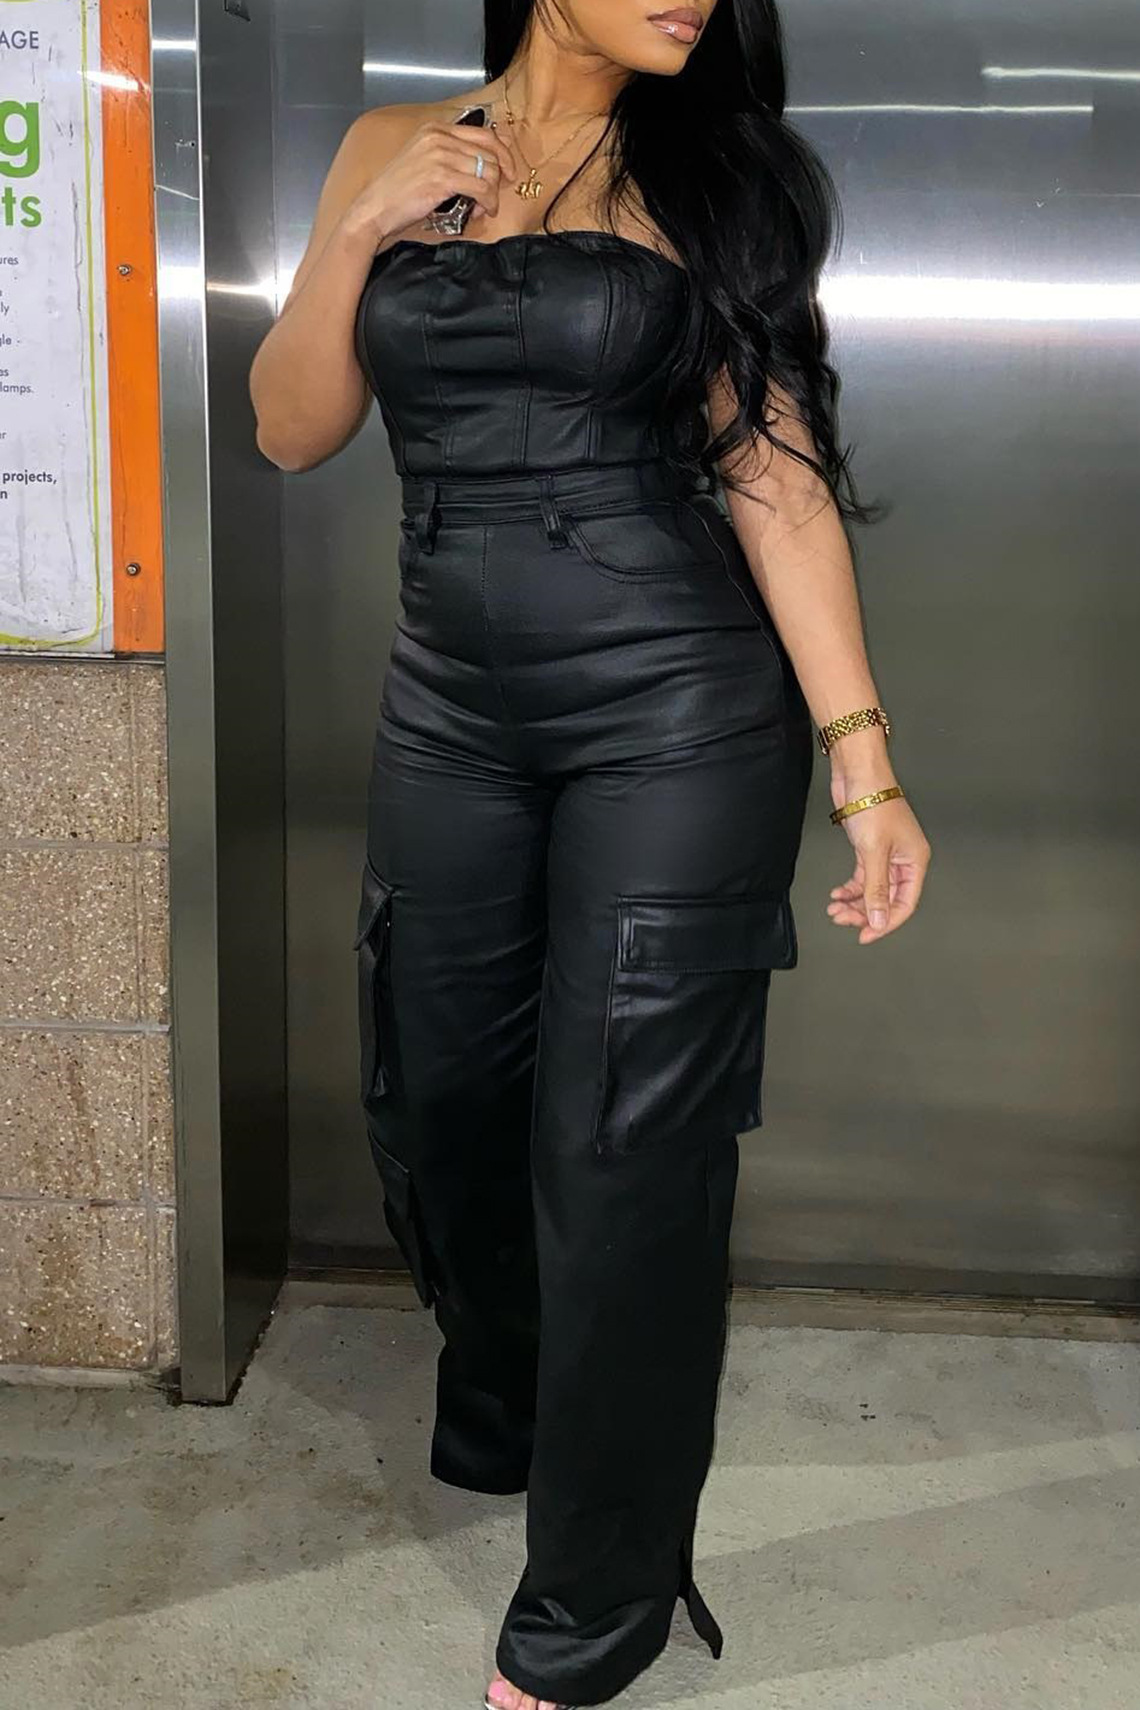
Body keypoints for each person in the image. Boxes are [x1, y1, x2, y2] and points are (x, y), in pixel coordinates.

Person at [250, 1, 932, 1704]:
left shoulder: (714, 173)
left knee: (627, 1144)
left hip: (676, 709)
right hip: (449, 706)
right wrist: (359, 230)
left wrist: (863, 760)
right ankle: (523, 1397)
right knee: (439, 1099)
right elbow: (288, 427)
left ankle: (595, 1604)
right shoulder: (389, 148)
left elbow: (772, 467)